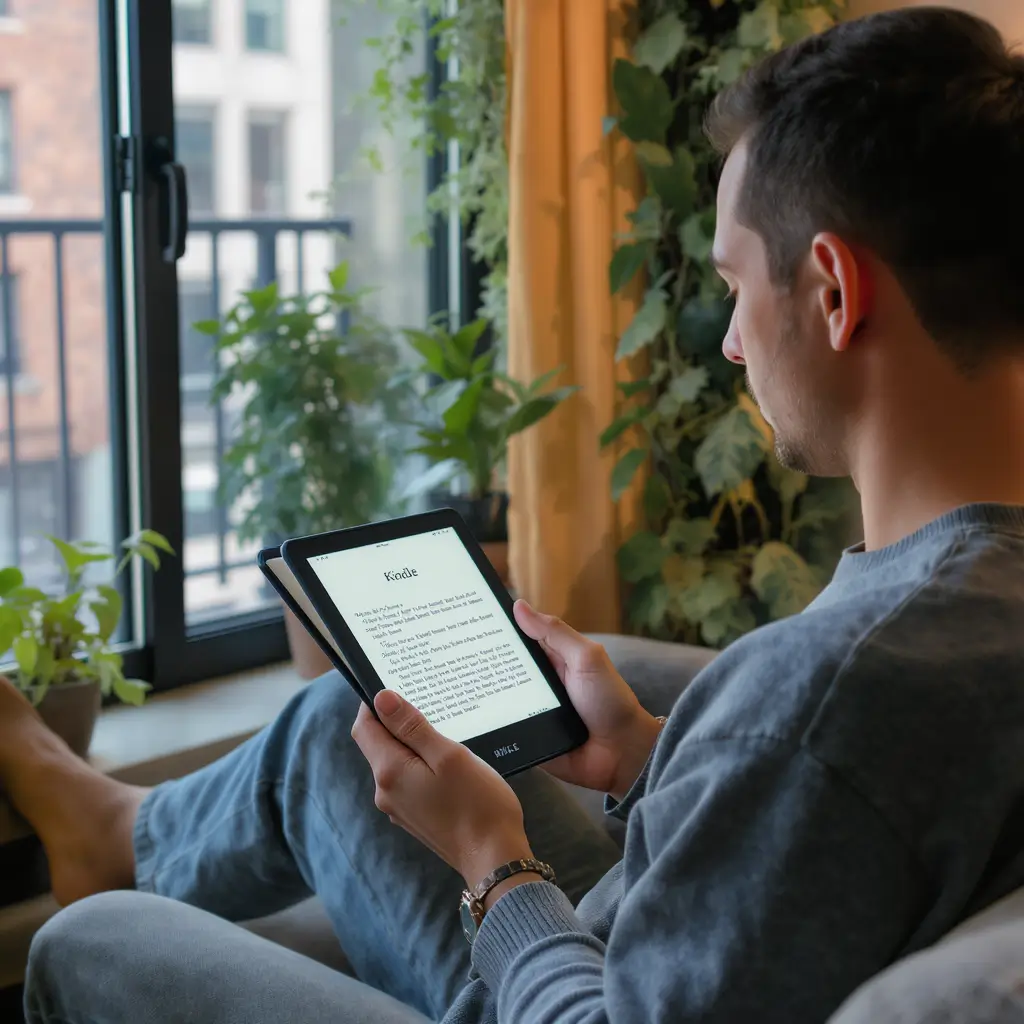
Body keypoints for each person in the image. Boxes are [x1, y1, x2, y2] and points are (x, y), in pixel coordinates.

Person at [5, 6, 1024, 1022]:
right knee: (343, 718)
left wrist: (490, 858)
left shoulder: (825, 694)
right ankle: (119, 833)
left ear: (836, 293)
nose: (731, 346)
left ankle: (110, 867)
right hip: (638, 946)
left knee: (89, 943)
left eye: (731, 284)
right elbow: (821, 833)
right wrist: (640, 752)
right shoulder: (948, 621)